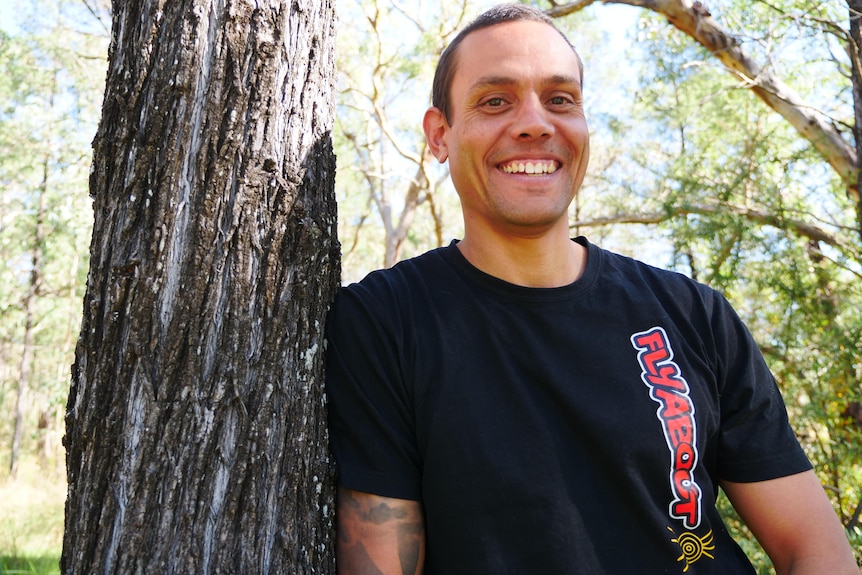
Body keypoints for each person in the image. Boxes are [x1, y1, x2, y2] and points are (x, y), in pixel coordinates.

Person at [325, 4, 858, 574]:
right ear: (439, 134)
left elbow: (816, 550)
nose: (535, 123)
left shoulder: (693, 314)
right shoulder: (382, 321)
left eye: (560, 100)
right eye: (495, 100)